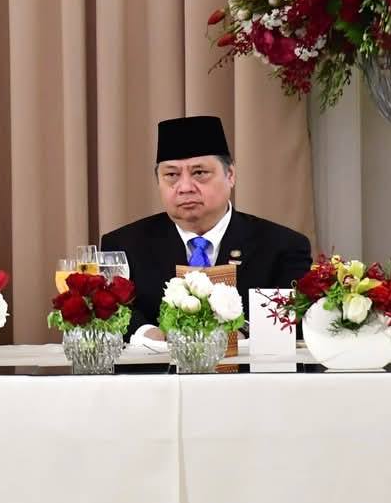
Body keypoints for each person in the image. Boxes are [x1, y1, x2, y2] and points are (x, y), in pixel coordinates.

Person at [101, 115, 312, 341]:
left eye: (199, 173)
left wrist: (239, 335)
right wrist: (149, 335)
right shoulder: (124, 245)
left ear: (230, 175)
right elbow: (111, 309)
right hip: (156, 362)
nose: (185, 187)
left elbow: (290, 321)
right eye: (171, 175)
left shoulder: (283, 246)